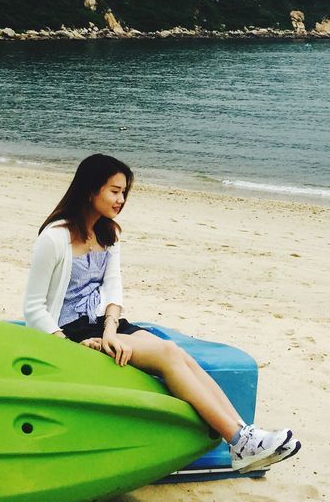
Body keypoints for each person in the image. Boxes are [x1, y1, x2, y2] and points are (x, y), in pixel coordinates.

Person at [24, 153, 300, 473]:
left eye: (124, 191)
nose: (121, 199)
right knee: (167, 354)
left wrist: (110, 332)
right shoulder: (54, 237)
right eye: (114, 191)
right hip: (69, 332)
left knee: (177, 353)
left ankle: (244, 435)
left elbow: (113, 291)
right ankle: (238, 439)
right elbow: (33, 308)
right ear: (90, 190)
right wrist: (69, 345)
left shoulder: (108, 234)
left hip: (103, 326)